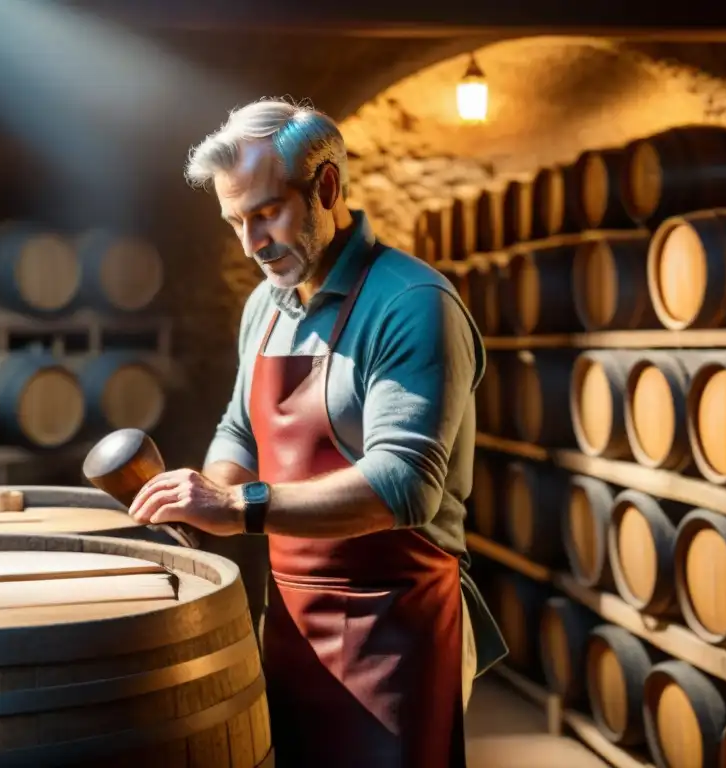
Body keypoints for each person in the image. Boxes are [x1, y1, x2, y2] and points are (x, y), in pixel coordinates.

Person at [128, 97, 507, 768]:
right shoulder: (267, 307)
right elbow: (241, 430)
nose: (251, 243)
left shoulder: (411, 303)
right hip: (292, 622)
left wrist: (235, 508)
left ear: (327, 187)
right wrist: (208, 493)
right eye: (235, 222)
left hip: (398, 627)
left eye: (267, 212)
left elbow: (405, 484)